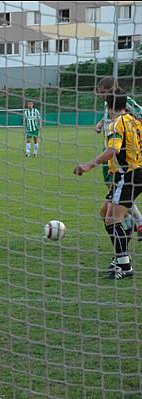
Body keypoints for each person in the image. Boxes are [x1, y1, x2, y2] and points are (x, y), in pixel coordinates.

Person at [74, 93, 142, 280]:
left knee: (112, 219)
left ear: (108, 106)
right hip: (133, 172)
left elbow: (113, 150)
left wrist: (88, 165)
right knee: (105, 213)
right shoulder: (134, 120)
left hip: (127, 175)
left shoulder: (116, 124)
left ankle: (124, 265)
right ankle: (119, 258)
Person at [95, 76, 142, 241]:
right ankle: (130, 226)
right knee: (113, 193)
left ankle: (136, 223)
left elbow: (139, 113)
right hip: (111, 152)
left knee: (117, 194)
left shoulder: (125, 100)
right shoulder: (108, 104)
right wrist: (102, 123)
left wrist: (134, 137)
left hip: (123, 155)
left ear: (110, 90)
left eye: (102, 92)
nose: (100, 96)